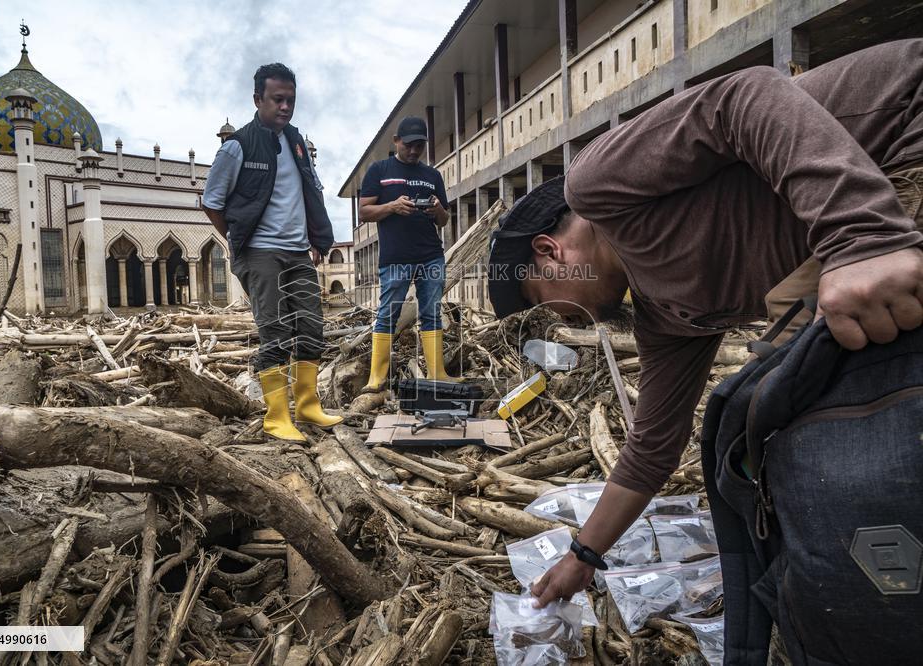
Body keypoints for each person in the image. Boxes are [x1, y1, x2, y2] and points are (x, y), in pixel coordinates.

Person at [485, 39, 923, 606]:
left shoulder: (596, 182)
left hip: (902, 138)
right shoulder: (666, 318)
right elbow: (652, 448)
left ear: (549, 252)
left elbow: (747, 95)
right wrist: (583, 558)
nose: (559, 326)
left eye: (545, 308)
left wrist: (863, 237)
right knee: (788, 387)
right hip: (854, 247)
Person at [202, 62, 340, 442]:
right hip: (261, 252)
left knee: (311, 329)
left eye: (290, 100)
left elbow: (309, 192)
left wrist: (315, 238)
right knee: (276, 333)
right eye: (277, 99)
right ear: (257, 99)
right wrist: (237, 240)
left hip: (298, 253)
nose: (285, 107)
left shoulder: (295, 142)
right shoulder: (237, 146)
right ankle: (277, 417)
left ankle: (308, 406)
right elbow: (211, 201)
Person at [357, 116, 459, 391]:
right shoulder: (379, 170)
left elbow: (444, 220)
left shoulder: (432, 176)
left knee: (431, 313)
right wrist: (392, 206)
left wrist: (436, 208)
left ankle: (437, 373)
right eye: (409, 145)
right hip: (395, 258)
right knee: (388, 313)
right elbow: (364, 211)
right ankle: (376, 378)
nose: (414, 151)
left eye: (419, 146)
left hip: (430, 255)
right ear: (396, 141)